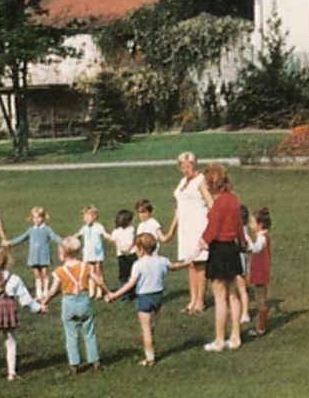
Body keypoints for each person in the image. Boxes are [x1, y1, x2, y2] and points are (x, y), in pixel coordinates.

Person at [104, 233, 189, 367]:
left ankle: (149, 358)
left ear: (141, 249)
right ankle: (148, 342)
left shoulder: (139, 265)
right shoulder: (162, 260)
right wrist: (186, 263)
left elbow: (130, 284)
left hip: (144, 297)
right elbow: (173, 267)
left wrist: (115, 295)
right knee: (151, 325)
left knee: (146, 329)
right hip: (158, 296)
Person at [196, 163, 247, 353]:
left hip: (219, 249)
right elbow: (239, 225)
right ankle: (235, 337)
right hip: (232, 248)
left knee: (220, 297)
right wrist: (242, 242)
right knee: (232, 293)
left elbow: (213, 228)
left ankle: (219, 340)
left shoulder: (219, 203)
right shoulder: (234, 199)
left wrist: (201, 244)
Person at [0, 248, 43, 382]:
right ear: (7, 262)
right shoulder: (15, 279)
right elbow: (26, 299)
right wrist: (39, 308)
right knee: (10, 340)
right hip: (8, 310)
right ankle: (11, 373)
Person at [39, 236, 103, 374]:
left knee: (71, 334)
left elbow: (53, 291)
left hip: (69, 303)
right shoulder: (86, 266)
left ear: (63, 253)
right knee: (89, 332)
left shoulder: (59, 271)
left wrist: (44, 302)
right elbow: (98, 281)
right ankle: (95, 360)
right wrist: (107, 292)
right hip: (84, 301)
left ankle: (74, 364)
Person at [161, 152, 212, 314]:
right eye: (183, 166)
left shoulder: (201, 180)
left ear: (195, 165)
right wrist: (170, 231)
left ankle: (200, 302)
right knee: (189, 263)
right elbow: (179, 208)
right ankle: (192, 300)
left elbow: (211, 204)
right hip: (185, 228)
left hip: (199, 225)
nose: (186, 169)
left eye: (188, 166)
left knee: (200, 264)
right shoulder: (183, 181)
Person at [7, 206, 62, 301]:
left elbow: (55, 237)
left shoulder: (47, 229)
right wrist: (10, 243)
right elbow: (21, 237)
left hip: (44, 254)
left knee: (45, 273)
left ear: (44, 218)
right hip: (34, 255)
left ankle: (46, 291)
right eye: (34, 217)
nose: (36, 220)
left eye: (39, 217)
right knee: (37, 274)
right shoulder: (31, 230)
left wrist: (65, 242)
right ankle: (39, 293)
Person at [247, 207, 272, 337]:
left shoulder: (262, 238)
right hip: (260, 270)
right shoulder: (262, 236)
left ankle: (261, 327)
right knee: (261, 297)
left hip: (260, 271)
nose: (251, 226)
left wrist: (247, 239)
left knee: (261, 298)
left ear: (260, 224)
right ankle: (261, 324)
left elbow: (256, 249)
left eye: (253, 223)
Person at [76, 205, 109, 287]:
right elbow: (78, 235)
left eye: (88, 216)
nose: (86, 218)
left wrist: (113, 238)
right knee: (89, 271)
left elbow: (105, 234)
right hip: (88, 252)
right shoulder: (84, 228)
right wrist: (68, 240)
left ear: (94, 217)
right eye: (84, 216)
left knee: (98, 271)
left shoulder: (98, 227)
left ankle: (100, 289)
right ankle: (91, 290)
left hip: (97, 253)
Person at [108, 209, 137, 291]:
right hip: (122, 255)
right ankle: (125, 293)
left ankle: (133, 290)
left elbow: (133, 240)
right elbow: (116, 241)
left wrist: (128, 248)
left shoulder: (131, 229)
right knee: (124, 274)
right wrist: (122, 249)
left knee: (133, 273)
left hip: (131, 253)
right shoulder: (116, 231)